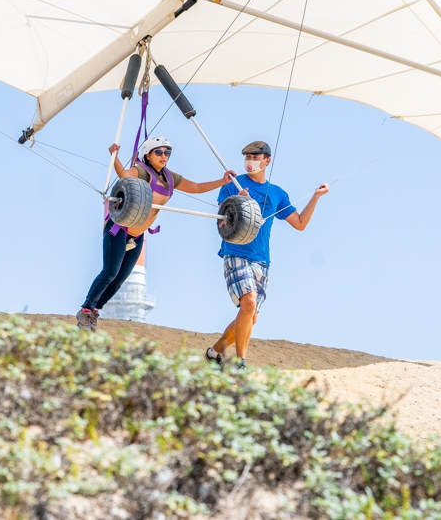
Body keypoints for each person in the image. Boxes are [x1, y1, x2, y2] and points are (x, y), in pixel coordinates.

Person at [78, 136, 236, 331]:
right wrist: (115, 156)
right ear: (148, 154)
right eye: (159, 152)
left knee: (119, 280)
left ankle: (94, 311)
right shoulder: (142, 171)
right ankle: (86, 309)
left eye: (167, 152)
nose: (164, 156)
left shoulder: (170, 178)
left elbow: (195, 188)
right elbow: (125, 176)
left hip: (137, 236)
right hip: (119, 228)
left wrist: (222, 180)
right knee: (110, 272)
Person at [206, 141, 329, 369]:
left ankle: (216, 351)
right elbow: (222, 218)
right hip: (236, 252)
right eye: (247, 157)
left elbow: (300, 223)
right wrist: (237, 200)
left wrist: (316, 197)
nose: (249, 161)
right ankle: (241, 362)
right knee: (249, 302)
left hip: (262, 259)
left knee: (250, 316)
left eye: (255, 157)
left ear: (266, 161)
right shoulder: (234, 183)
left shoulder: (277, 193)